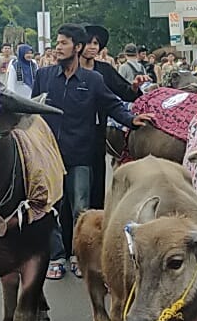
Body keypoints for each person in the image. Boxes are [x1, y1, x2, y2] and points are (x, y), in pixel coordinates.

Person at [33, 24, 151, 281]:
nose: (57, 46)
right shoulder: (43, 76)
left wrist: (132, 120)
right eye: (57, 41)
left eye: (64, 42)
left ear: (77, 47)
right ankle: (56, 256)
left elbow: (112, 105)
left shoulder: (94, 80)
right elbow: (33, 112)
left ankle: (78, 256)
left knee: (81, 209)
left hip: (81, 154)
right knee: (51, 207)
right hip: (50, 157)